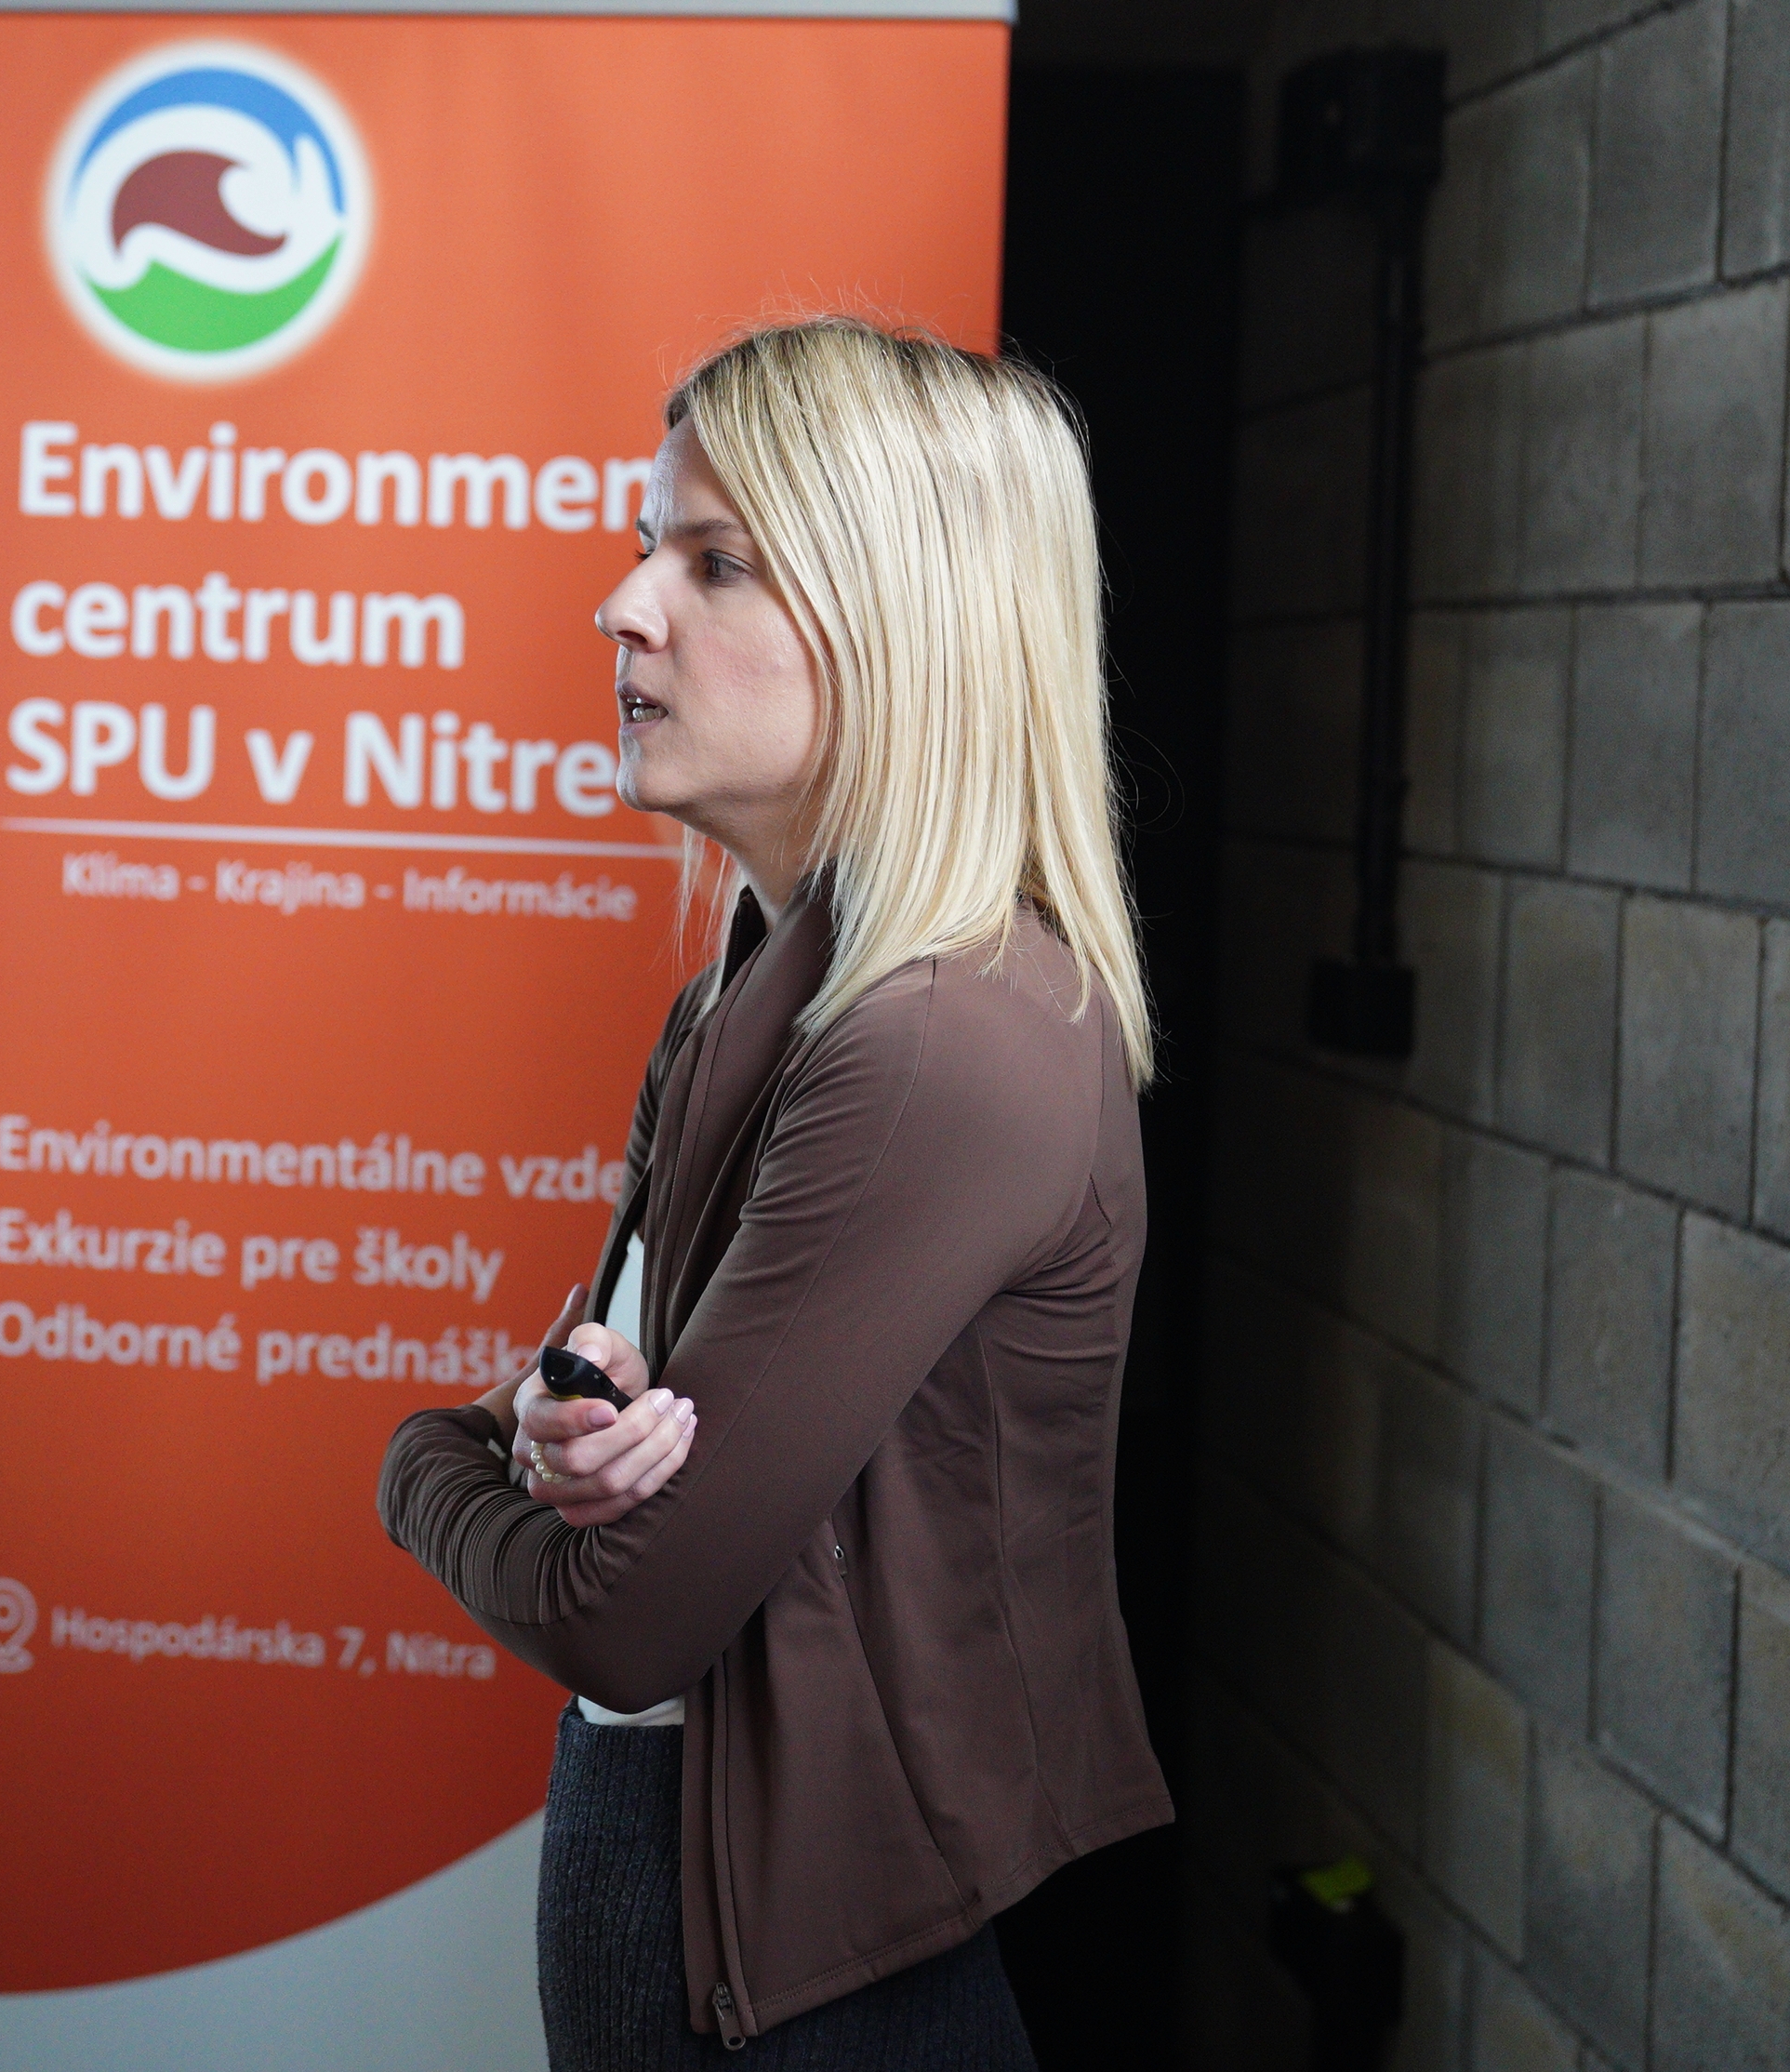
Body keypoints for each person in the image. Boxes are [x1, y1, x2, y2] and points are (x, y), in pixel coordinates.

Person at [378, 317, 1169, 2068]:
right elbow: (599, 1456)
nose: (621, 609)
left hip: (813, 1994)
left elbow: (618, 1613)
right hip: (694, 1911)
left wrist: (418, 1462)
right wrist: (556, 1432)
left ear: (902, 625)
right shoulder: (752, 998)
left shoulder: (939, 1044)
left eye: (714, 563)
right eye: (644, 548)